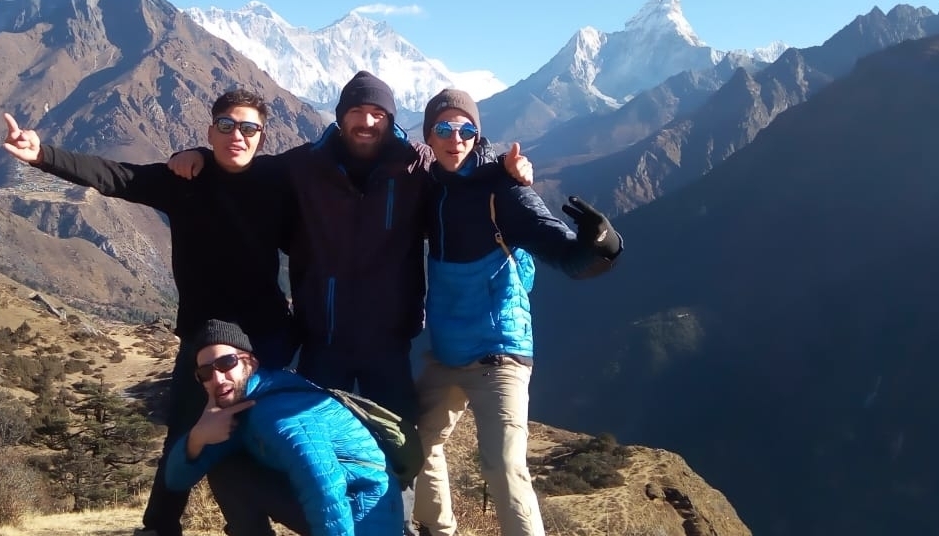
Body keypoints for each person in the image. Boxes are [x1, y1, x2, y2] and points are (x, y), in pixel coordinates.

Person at [170, 72, 532, 535]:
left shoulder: (415, 165)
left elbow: (460, 168)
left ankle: (397, 526)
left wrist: (505, 171)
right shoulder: (305, 164)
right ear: (341, 117)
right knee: (316, 446)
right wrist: (201, 155)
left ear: (390, 120)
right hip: (324, 337)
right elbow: (245, 166)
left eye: (378, 113)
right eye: (357, 111)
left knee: (400, 444)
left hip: (388, 340)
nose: (367, 121)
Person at [2, 89, 296, 536]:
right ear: (210, 131)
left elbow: (327, 168)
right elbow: (117, 177)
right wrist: (43, 155)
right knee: (183, 430)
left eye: (248, 128)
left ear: (262, 136)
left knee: (269, 431)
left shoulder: (277, 181)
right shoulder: (184, 181)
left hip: (266, 336)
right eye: (226, 125)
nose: (237, 135)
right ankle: (159, 526)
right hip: (203, 338)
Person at [410, 89, 623, 536]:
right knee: (416, 443)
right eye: (444, 129)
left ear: (477, 134)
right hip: (447, 353)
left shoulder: (503, 190)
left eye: (466, 129)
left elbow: (564, 254)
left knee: (505, 467)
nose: (455, 139)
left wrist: (601, 245)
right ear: (428, 136)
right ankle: (436, 529)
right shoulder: (428, 188)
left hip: (500, 352)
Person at [166, 319, 402, 536]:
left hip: (364, 507)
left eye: (226, 363)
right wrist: (198, 437)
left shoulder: (276, 412)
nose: (217, 378)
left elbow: (324, 486)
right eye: (205, 372)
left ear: (250, 363)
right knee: (228, 470)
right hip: (341, 501)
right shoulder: (238, 410)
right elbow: (175, 481)